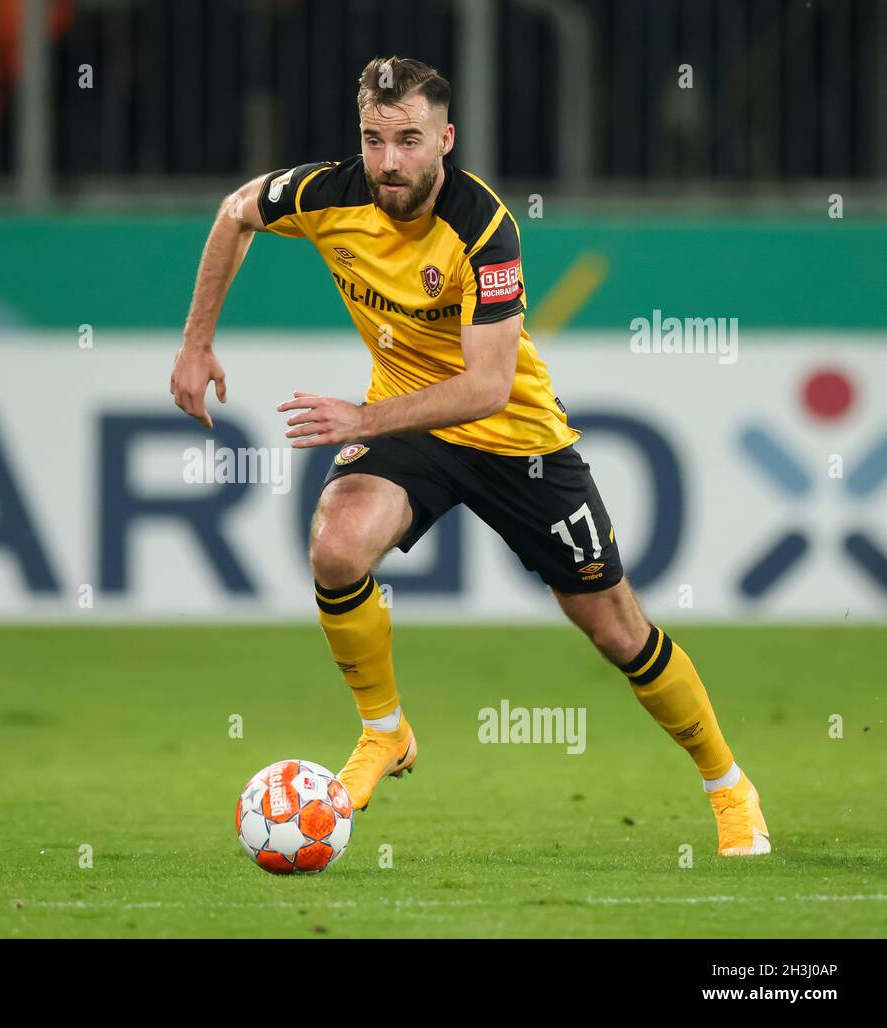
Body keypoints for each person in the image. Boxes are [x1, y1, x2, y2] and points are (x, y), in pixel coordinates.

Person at [170, 56, 770, 856]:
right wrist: (196, 341)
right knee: (337, 547)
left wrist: (364, 413)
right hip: (412, 431)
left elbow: (487, 387)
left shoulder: (484, 227)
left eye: (409, 140)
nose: (388, 161)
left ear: (444, 139)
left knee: (617, 630)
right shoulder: (326, 194)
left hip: (517, 440)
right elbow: (236, 211)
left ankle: (729, 785)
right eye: (374, 140)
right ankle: (384, 731)